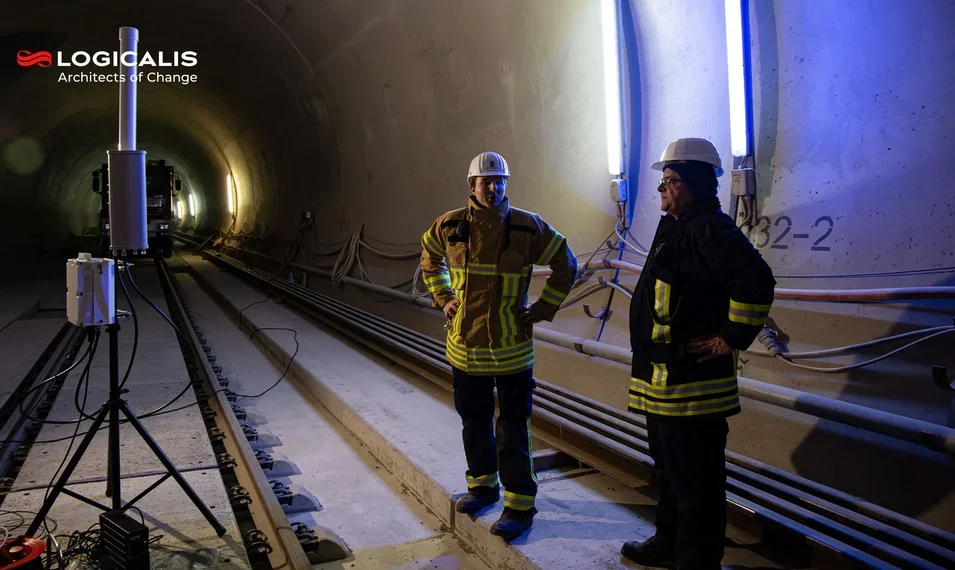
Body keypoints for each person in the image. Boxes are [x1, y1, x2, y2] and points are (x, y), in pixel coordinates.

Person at [621, 138, 776, 569]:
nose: (661, 190)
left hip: (693, 389)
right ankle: (668, 544)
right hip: (664, 383)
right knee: (669, 473)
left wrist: (730, 336)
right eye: (663, 181)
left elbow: (756, 281)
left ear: (696, 184)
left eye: (670, 182)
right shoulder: (676, 226)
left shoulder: (711, 228)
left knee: (697, 486)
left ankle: (697, 563)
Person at [419, 151, 577, 540]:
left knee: (512, 428)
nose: (494, 188)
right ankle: (482, 488)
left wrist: (542, 308)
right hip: (465, 349)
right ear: (471, 186)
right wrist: (444, 298)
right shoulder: (450, 225)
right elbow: (429, 258)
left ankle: (520, 506)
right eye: (486, 182)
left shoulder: (527, 226)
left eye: (500, 181)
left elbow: (567, 264)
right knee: (473, 423)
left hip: (511, 351)